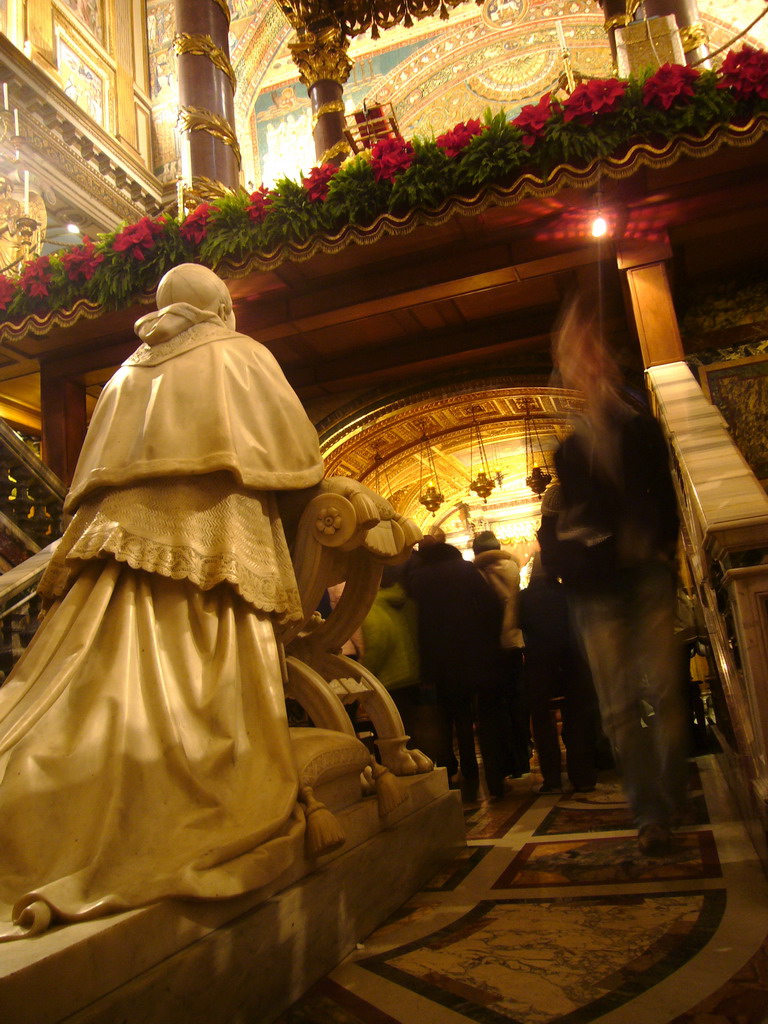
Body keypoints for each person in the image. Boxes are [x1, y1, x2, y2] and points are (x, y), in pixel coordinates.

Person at [0, 263, 325, 939]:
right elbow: (300, 460)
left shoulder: (124, 376)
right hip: (215, 541)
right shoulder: (240, 355)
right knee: (206, 680)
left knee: (80, 681)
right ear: (218, 306)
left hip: (114, 551)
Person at [551, 294, 687, 856]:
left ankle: (669, 797)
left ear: (606, 360)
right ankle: (649, 812)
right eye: (574, 356)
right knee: (619, 709)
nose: (587, 363)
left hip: (646, 575)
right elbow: (574, 518)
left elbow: (669, 496)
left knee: (668, 695)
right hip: (595, 588)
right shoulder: (567, 450)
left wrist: (662, 550)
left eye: (593, 351)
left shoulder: (642, 429)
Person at [405, 531, 506, 801]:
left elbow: (419, 626)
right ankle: (495, 778)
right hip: (478, 653)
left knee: (455, 716)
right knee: (486, 717)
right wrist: (490, 641)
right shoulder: (466, 570)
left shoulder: (419, 579)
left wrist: (426, 667)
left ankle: (467, 772)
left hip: (442, 661)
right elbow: (491, 606)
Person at [518, 549, 597, 794]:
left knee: (543, 723)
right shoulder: (568, 593)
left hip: (539, 666)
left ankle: (551, 779)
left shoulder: (523, 598)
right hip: (571, 663)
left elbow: (520, 630)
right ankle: (582, 776)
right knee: (576, 719)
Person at [472, 530, 530, 778]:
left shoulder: (479, 572)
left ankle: (508, 760)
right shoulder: (511, 567)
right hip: (515, 641)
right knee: (517, 700)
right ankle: (524, 753)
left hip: (493, 644)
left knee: (497, 704)